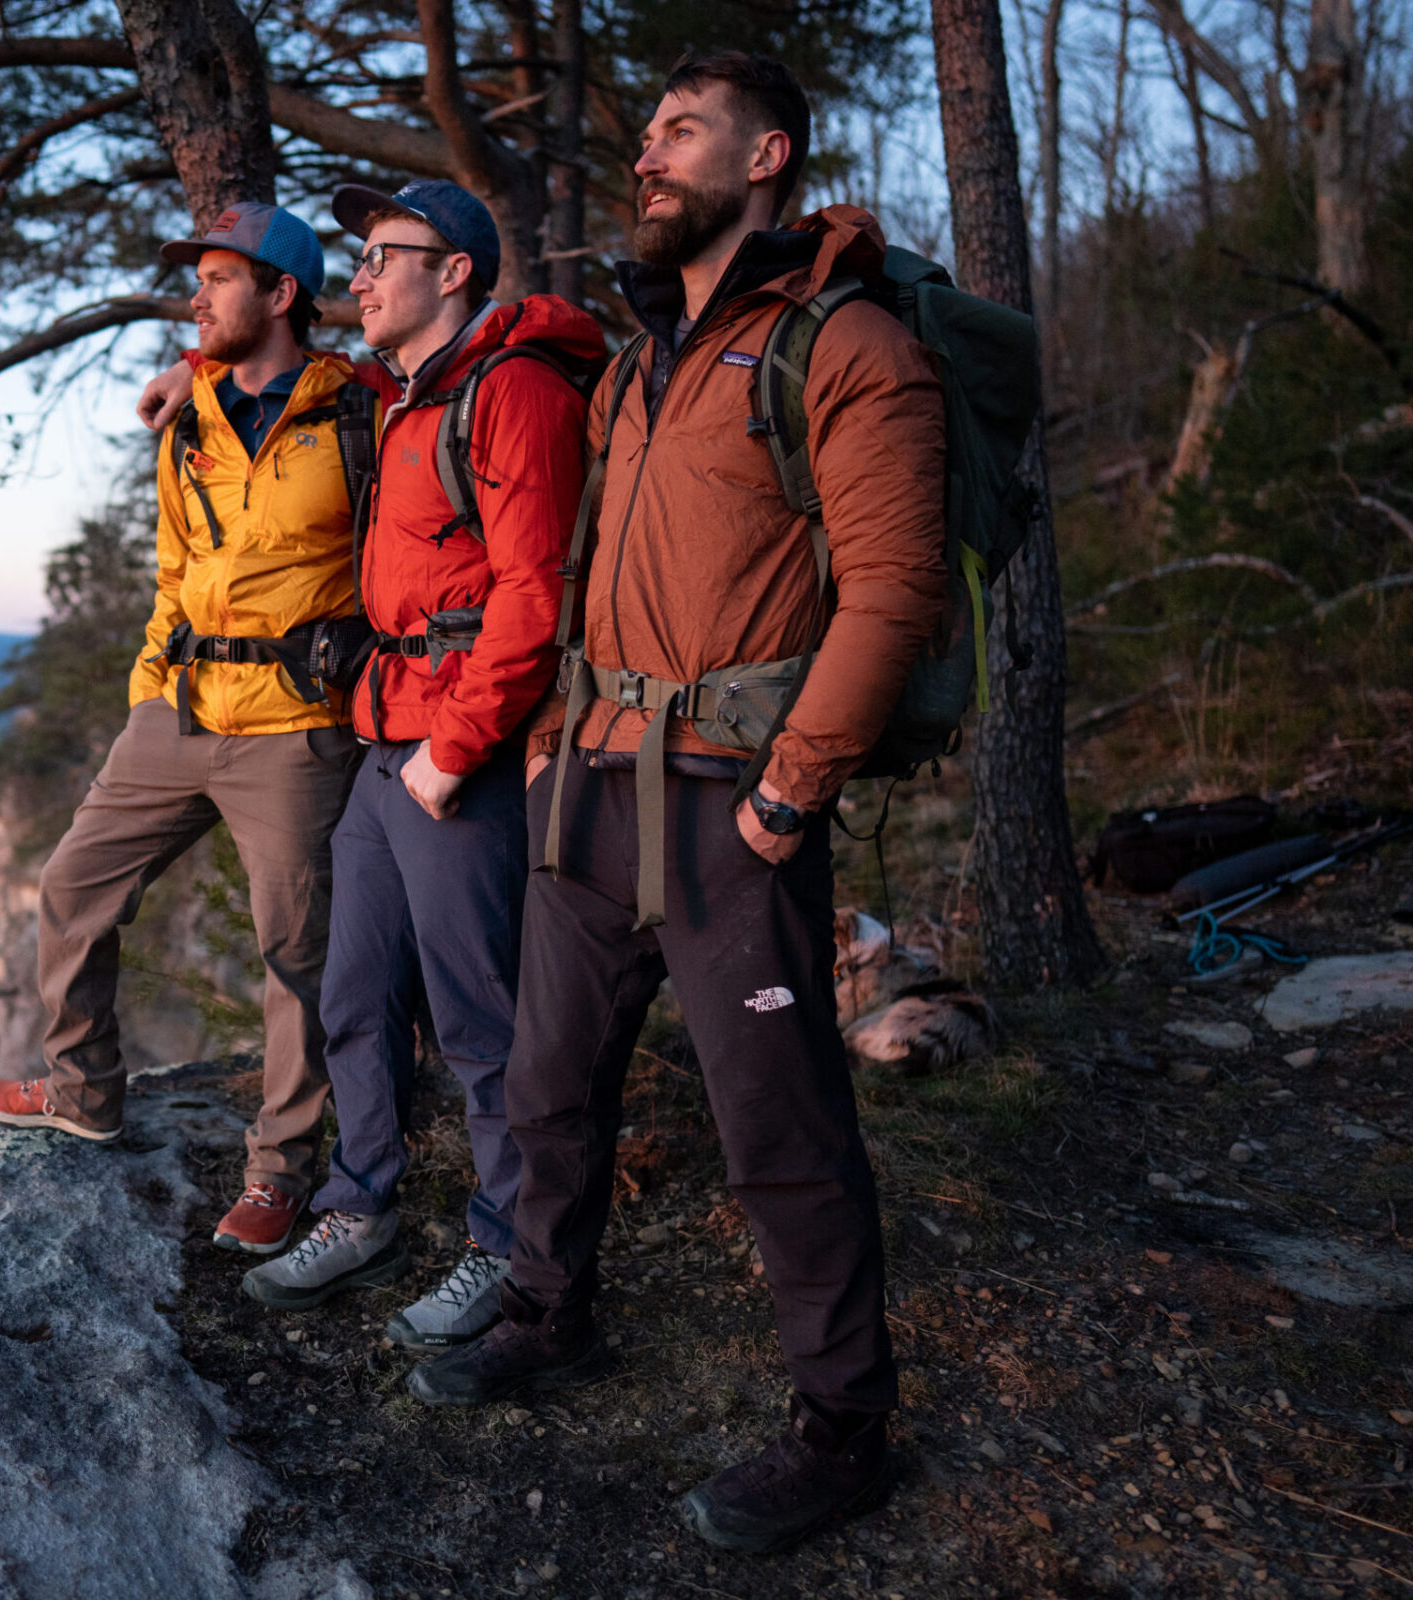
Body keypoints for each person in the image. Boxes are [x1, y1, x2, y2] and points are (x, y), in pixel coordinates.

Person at [399, 52, 948, 1559]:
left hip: (730, 804)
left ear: (766, 156)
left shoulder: (846, 347)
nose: (648, 156)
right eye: (643, 134)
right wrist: (552, 734)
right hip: (589, 787)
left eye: (681, 132)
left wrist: (791, 790)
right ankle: (545, 1313)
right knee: (547, 1083)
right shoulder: (646, 360)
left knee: (778, 1125)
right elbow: (586, 572)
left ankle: (846, 1430)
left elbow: (895, 589)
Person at [144, 181, 601, 1343]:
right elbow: (259, 386)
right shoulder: (397, 397)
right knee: (353, 992)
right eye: (352, 256)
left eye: (382, 255)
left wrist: (454, 752)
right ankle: (361, 1201)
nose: (358, 276)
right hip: (382, 733)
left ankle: (508, 1246)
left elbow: (531, 593)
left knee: (477, 1016)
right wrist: (188, 379)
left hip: (457, 744)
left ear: (453, 271)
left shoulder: (515, 392)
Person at [0, 203, 372, 1254]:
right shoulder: (190, 417)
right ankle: (84, 1089)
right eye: (195, 280)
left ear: (282, 296)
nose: (197, 296)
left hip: (295, 726)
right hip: (181, 709)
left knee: (297, 954)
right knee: (71, 886)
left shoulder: (358, 414)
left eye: (221, 279)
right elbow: (173, 568)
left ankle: (282, 1170)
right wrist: (151, 685)